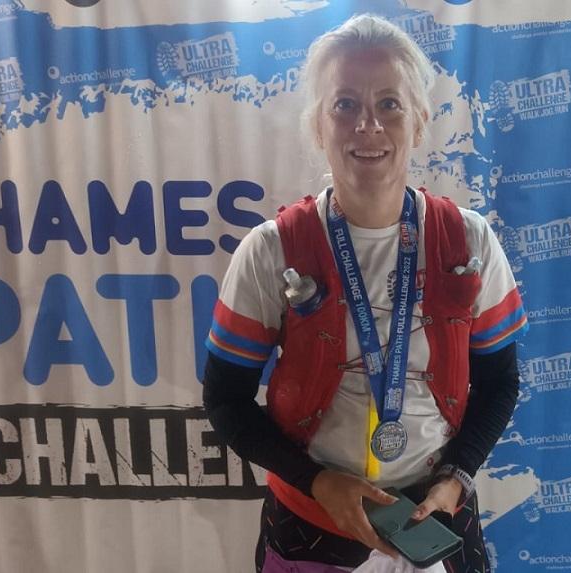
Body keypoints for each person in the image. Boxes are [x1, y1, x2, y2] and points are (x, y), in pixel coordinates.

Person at [203, 14, 528, 573]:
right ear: (317, 127)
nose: (368, 125)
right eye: (345, 104)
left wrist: (457, 477)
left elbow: (500, 383)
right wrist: (316, 481)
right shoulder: (270, 250)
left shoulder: (469, 240)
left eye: (390, 104)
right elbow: (226, 399)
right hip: (311, 522)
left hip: (437, 521)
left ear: (421, 122)